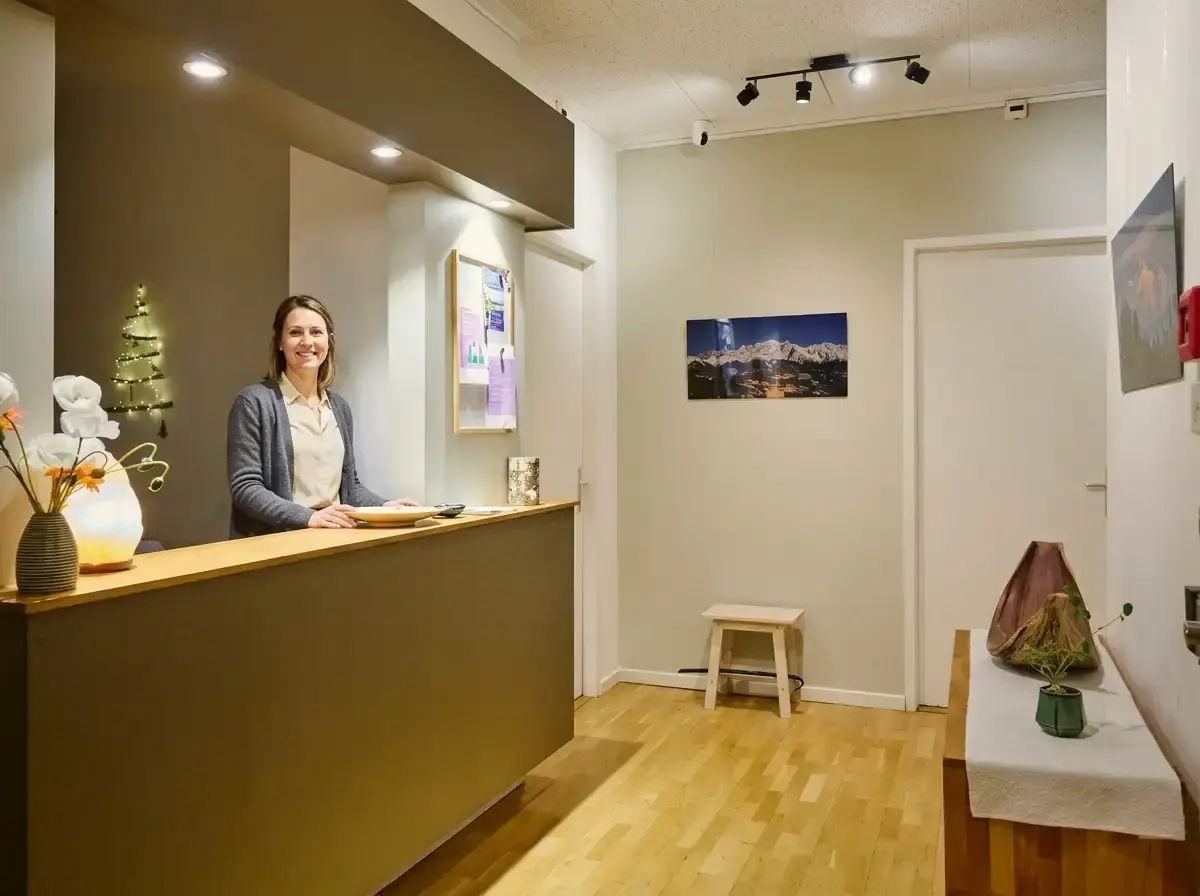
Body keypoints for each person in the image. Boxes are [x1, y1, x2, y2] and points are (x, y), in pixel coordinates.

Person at [227, 295, 416, 537]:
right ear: (280, 343)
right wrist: (308, 517)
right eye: (295, 332)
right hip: (278, 544)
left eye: (316, 332)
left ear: (329, 341)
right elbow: (245, 488)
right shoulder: (254, 402)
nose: (307, 342)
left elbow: (349, 488)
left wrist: (386, 507)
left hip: (333, 538)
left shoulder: (339, 407)